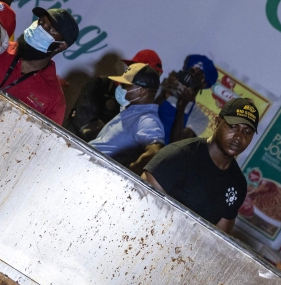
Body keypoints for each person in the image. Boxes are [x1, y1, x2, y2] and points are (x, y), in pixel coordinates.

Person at [143, 98, 259, 233]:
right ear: (217, 122)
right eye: (233, 127)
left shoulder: (238, 184)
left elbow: (219, 240)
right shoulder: (181, 155)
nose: (239, 137)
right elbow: (138, 201)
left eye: (247, 132)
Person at [0, 7, 78, 125]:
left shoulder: (54, 99)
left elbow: (42, 141)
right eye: (40, 22)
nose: (39, 29)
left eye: (48, 29)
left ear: (61, 46)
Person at [66, 49, 164, 141]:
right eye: (149, 75)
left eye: (155, 78)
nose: (152, 82)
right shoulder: (99, 85)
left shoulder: (139, 110)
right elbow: (82, 126)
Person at [89, 63, 164, 172]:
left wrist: (127, 174)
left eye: (126, 85)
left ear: (141, 91)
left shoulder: (147, 120)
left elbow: (155, 153)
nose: (120, 88)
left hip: (96, 173)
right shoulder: (131, 112)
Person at [156, 54, 218, 143]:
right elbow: (139, 115)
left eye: (198, 76)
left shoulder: (199, 117)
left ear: (203, 84)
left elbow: (176, 145)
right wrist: (162, 95)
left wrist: (182, 108)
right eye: (191, 72)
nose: (191, 77)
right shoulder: (161, 90)